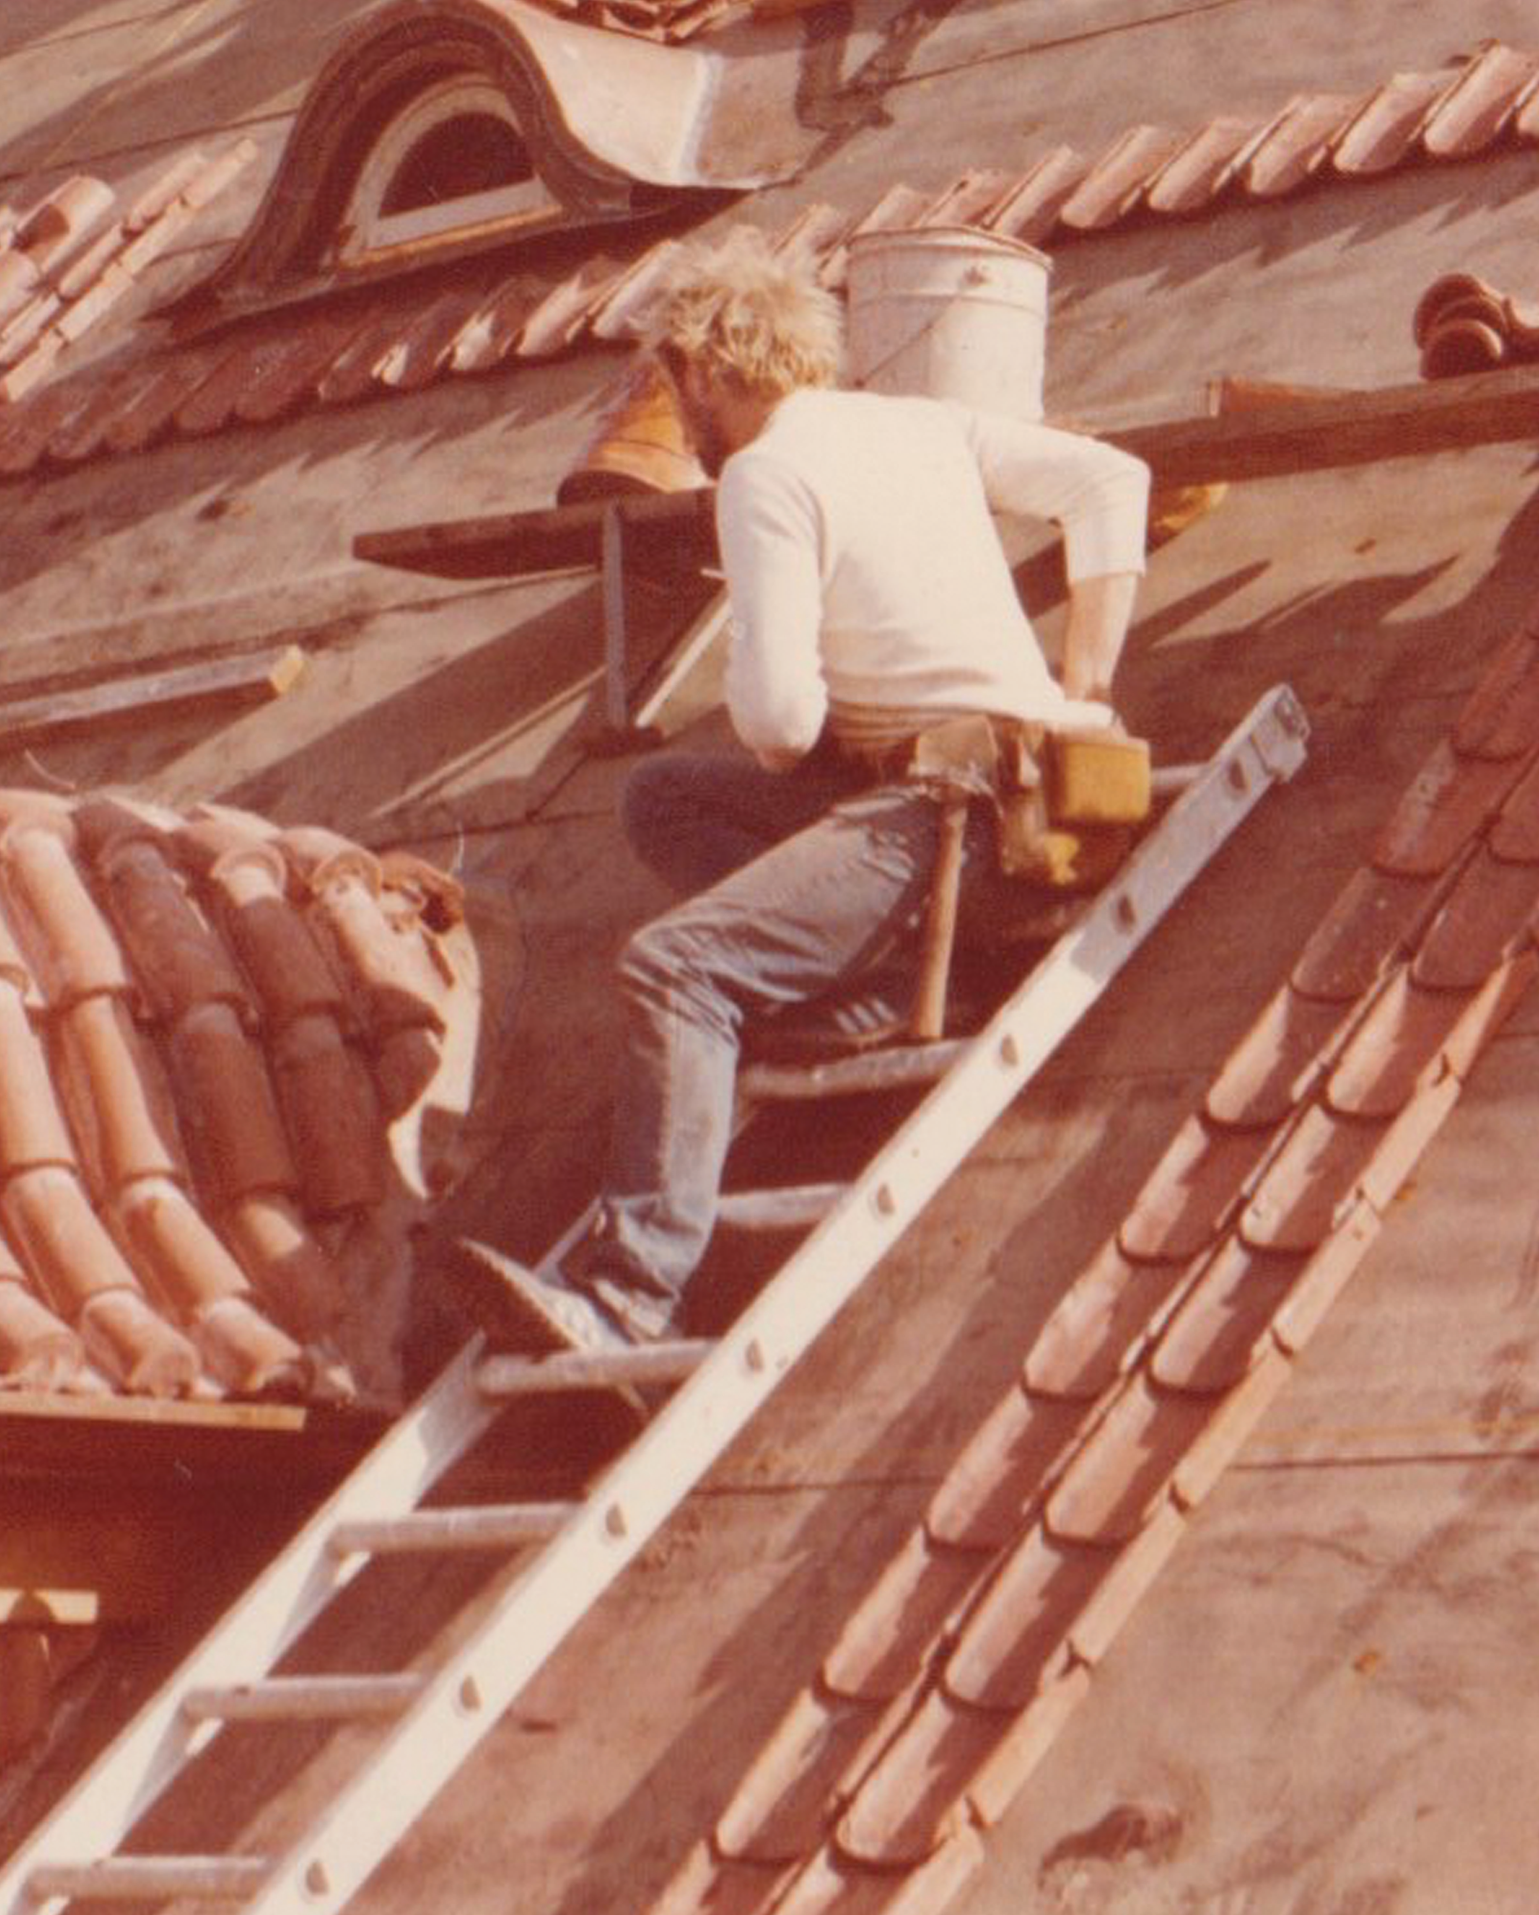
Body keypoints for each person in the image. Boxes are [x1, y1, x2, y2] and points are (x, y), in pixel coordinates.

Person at [449, 234, 1149, 1366]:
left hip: (954, 823)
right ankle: (872, 991)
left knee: (677, 967)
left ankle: (629, 1294)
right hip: (1043, 807)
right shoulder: (921, 425)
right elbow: (1112, 478)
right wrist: (1087, 690)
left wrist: (819, 707)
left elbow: (776, 724)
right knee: (669, 797)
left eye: (676, 390)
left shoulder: (765, 476)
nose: (680, 421)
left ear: (704, 370)